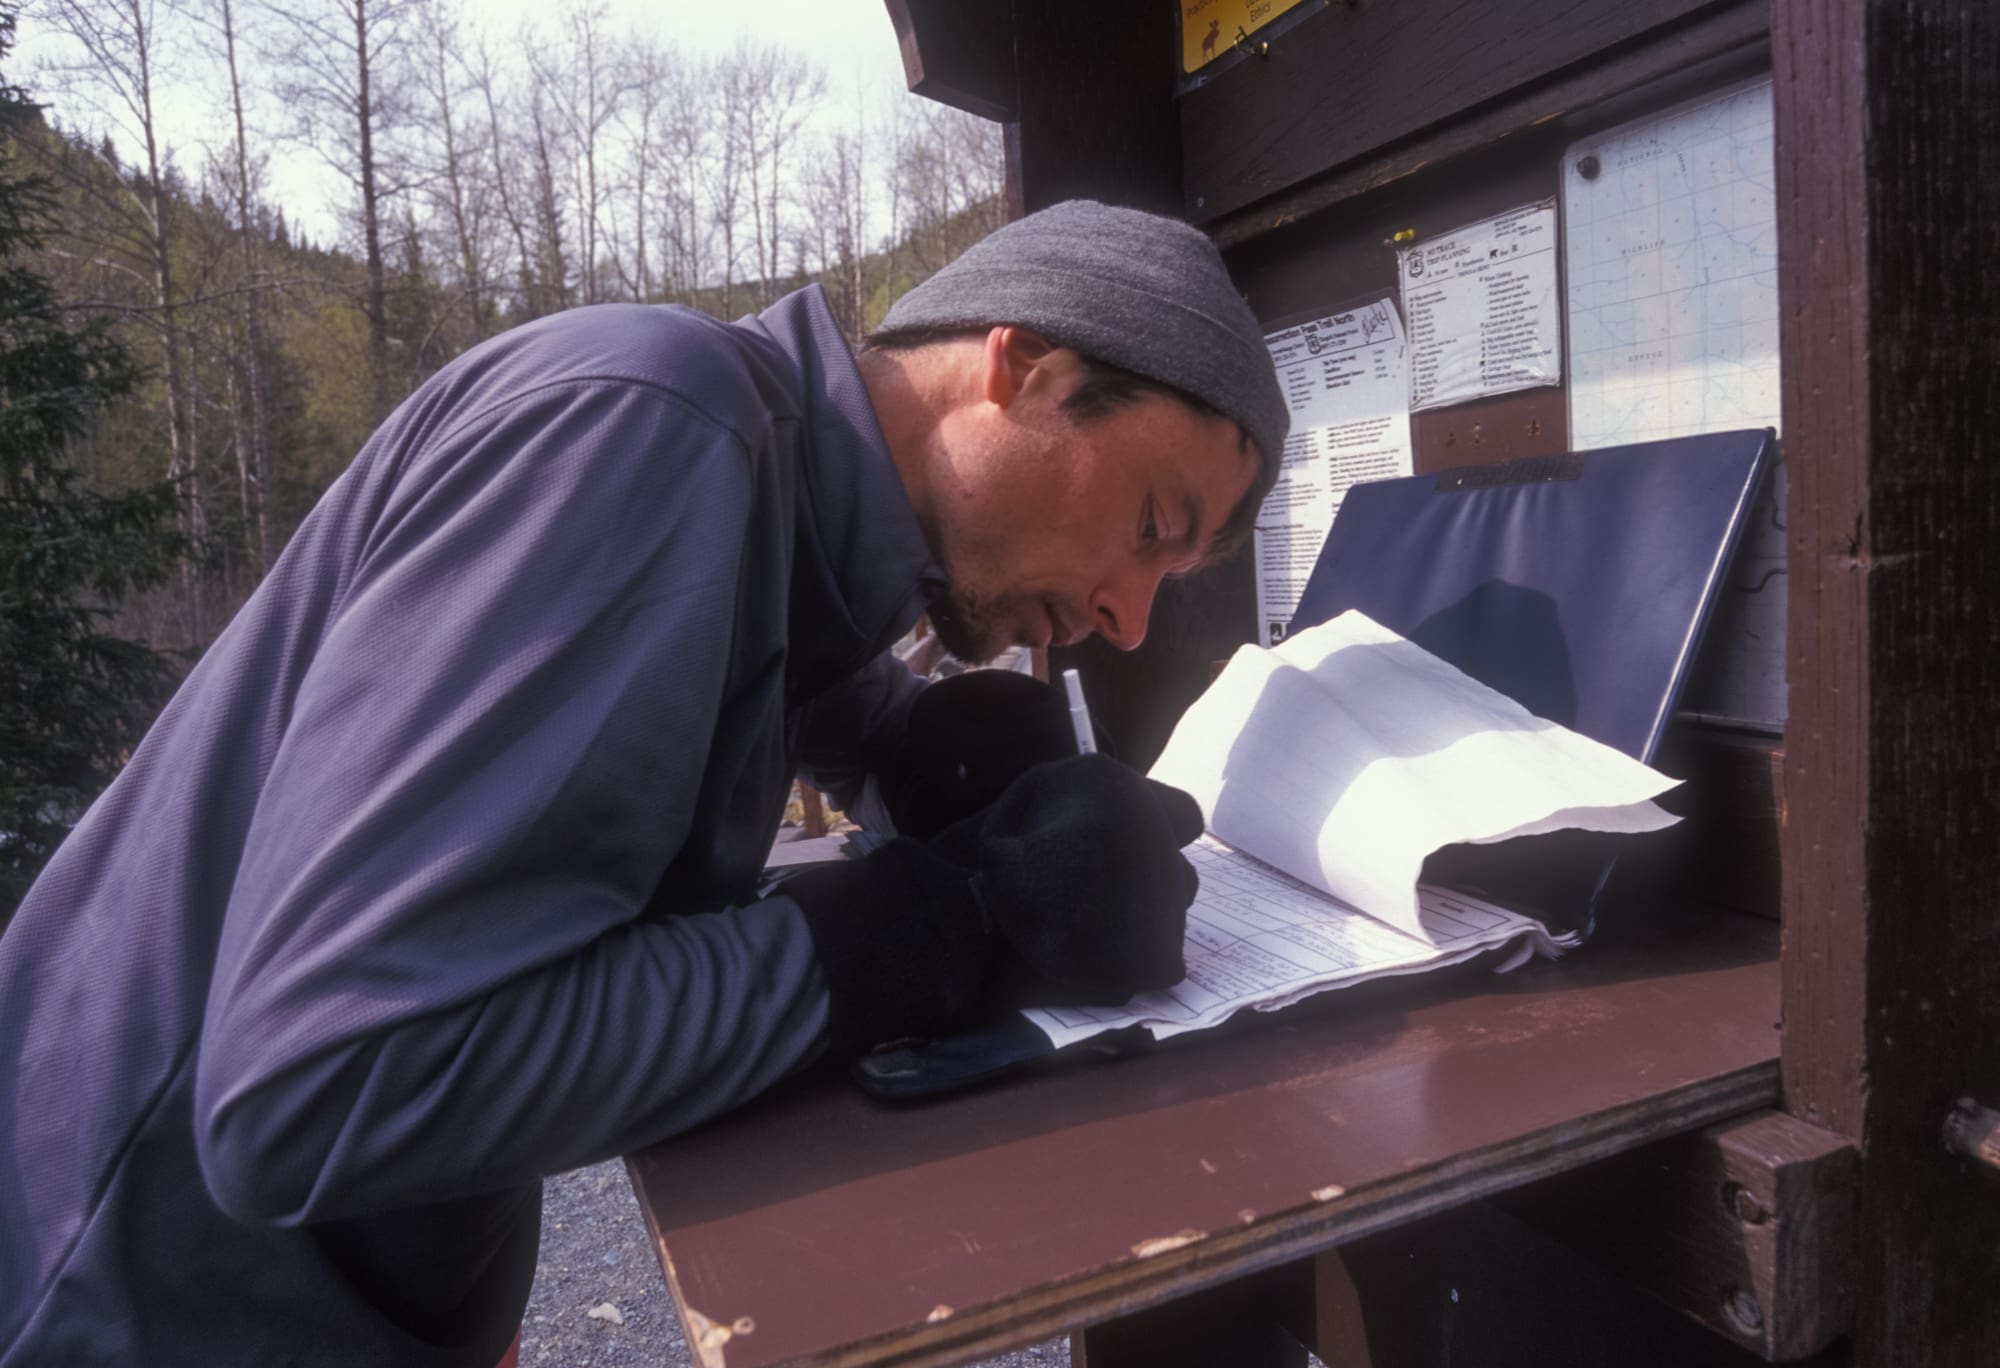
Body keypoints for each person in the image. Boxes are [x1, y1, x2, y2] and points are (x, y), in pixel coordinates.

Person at [0, 199, 1288, 1366]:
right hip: (130, 1297)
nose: (1129, 619)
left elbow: (755, 681)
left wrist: (927, 748)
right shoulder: (642, 426)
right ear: (1022, 369)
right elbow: (323, 1087)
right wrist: (929, 930)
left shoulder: (770, 501)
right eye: (1151, 531)